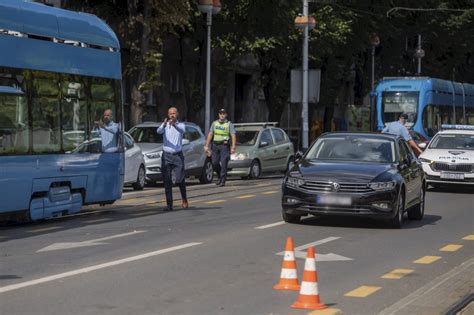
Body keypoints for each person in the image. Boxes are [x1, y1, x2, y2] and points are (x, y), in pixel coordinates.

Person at [157, 107, 188, 211]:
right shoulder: (165, 125)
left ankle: (184, 198)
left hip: (177, 155)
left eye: (174, 113)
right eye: (170, 113)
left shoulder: (180, 125)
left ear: (177, 114)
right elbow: (158, 131)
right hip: (166, 155)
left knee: (179, 180)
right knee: (167, 181)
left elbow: (183, 130)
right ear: (168, 114)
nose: (172, 115)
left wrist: (174, 124)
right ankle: (169, 205)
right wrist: (164, 124)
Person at [204, 108, 236, 187]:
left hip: (224, 146)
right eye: (220, 113)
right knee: (214, 163)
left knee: (224, 162)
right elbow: (210, 134)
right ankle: (220, 176)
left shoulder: (229, 124)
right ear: (219, 115)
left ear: (226, 115)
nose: (222, 115)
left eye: (223, 113)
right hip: (215, 145)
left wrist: (233, 146)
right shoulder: (214, 123)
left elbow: (233, 135)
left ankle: (223, 180)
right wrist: (206, 145)